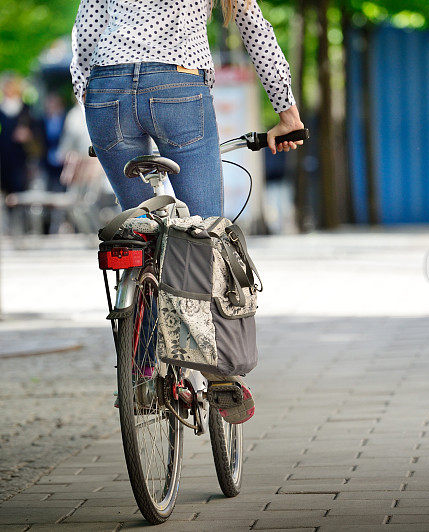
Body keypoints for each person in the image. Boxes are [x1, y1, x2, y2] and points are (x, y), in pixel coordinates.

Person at [71, 0, 305, 424]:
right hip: (177, 87)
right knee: (205, 235)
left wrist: (92, 105)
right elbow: (255, 29)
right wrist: (287, 114)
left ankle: (140, 369)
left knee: (139, 227)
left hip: (106, 93)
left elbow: (85, 36)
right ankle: (218, 374)